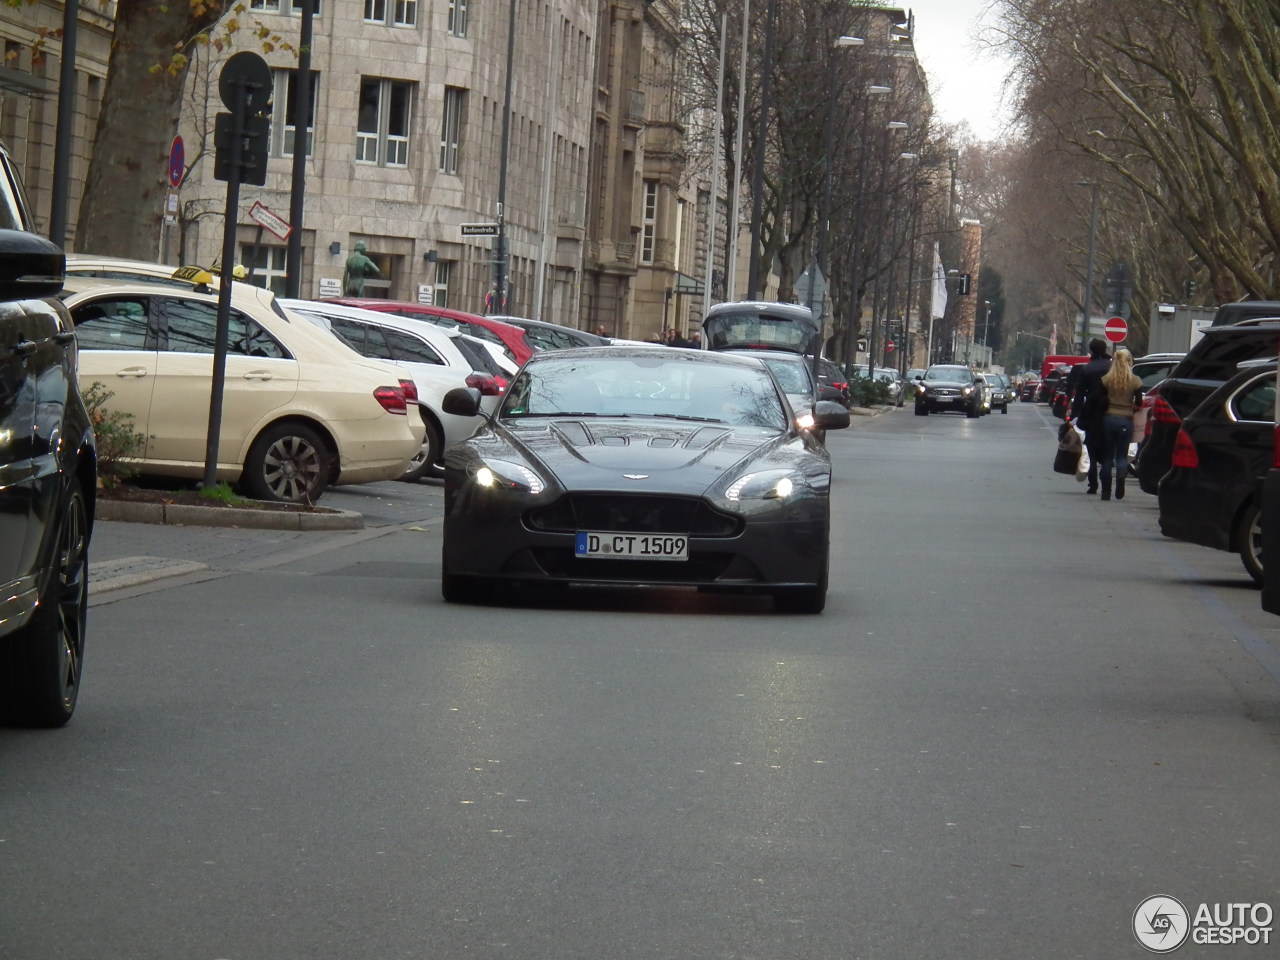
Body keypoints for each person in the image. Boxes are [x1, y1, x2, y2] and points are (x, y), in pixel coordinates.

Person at [1094, 348, 1143, 500]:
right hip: (1126, 420)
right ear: (1129, 362)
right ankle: (1121, 477)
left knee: (1107, 457)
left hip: (1108, 419)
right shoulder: (1135, 381)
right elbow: (1139, 403)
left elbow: (1100, 400)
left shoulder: (1106, 380)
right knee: (1121, 456)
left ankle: (1105, 491)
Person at [1067, 338, 1112, 494]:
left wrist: (1075, 417)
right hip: (1112, 411)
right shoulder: (1113, 367)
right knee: (1108, 449)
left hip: (1092, 413)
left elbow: (1079, 396)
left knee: (1091, 448)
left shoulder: (1087, 369)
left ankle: (1093, 484)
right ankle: (1108, 483)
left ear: (1091, 351)